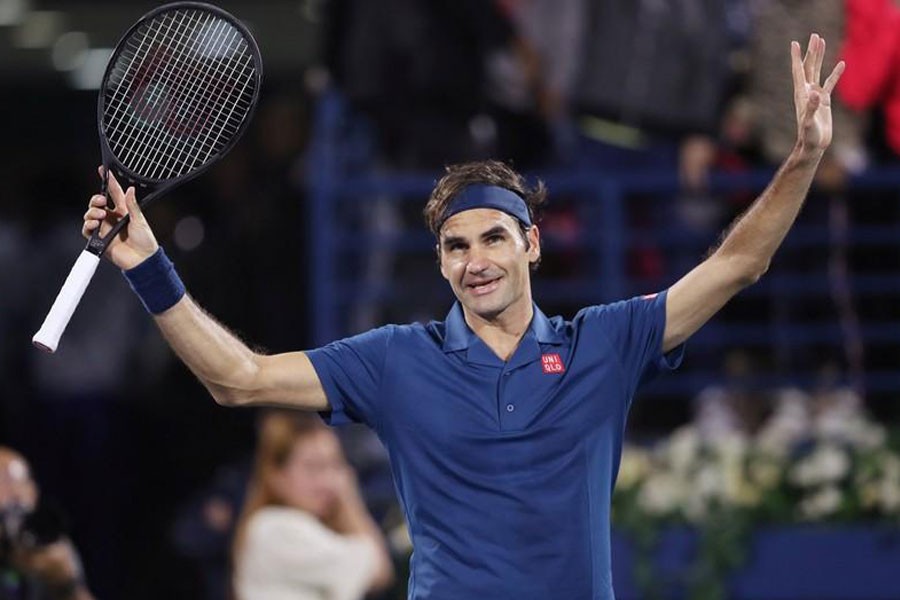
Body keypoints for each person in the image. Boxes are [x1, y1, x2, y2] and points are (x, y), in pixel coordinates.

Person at [81, 35, 843, 599]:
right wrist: (149, 265)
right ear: (441, 262)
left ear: (531, 245)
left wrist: (803, 157)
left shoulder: (605, 343)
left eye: (492, 239)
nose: (474, 259)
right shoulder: (394, 359)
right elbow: (238, 380)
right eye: (455, 246)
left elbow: (739, 263)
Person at [231, 411, 394, 600]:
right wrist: (349, 498)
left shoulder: (310, 527)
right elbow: (378, 570)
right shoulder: (273, 528)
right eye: (313, 467)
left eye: (335, 465)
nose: (329, 481)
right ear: (276, 474)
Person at [0, 447, 95, 600]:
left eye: (20, 481)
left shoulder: (46, 548)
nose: (14, 493)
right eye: (2, 481)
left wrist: (67, 586)